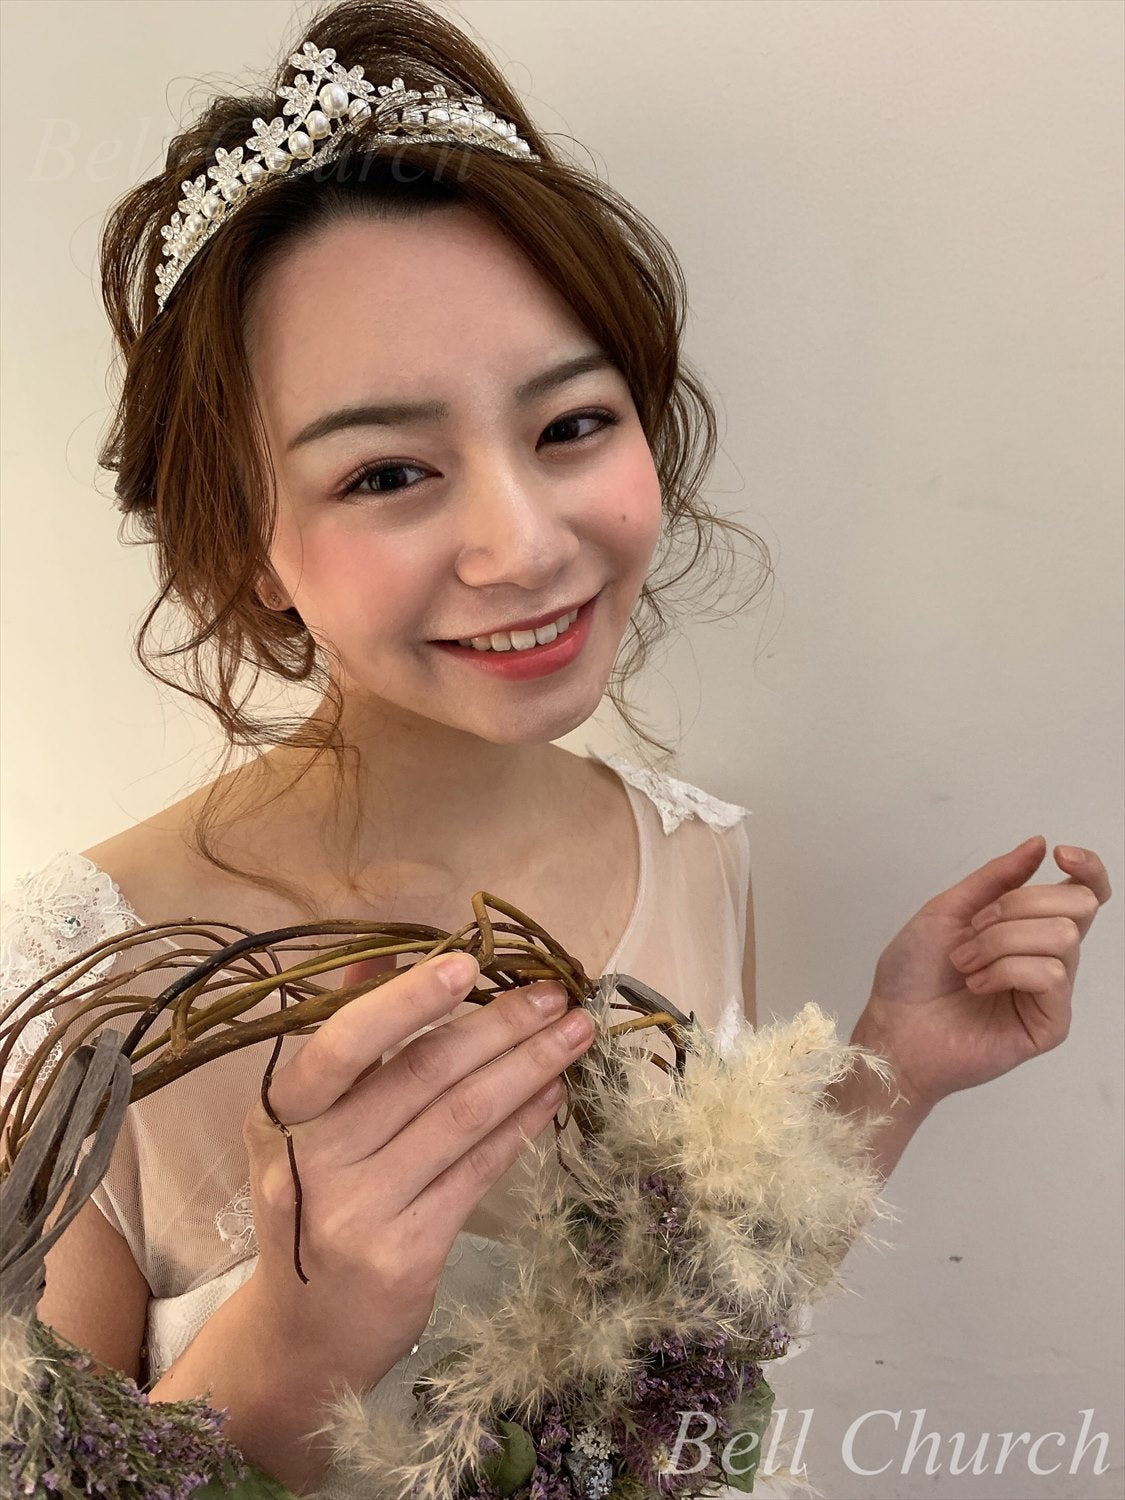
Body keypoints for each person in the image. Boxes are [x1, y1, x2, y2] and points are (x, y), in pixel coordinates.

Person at [0, 1, 1111, 1494]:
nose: (522, 546)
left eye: (571, 425)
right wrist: (297, 1343)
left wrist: (890, 1072)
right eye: (386, 472)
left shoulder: (695, 854)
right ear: (246, 541)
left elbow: (693, 1348)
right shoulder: (85, 987)